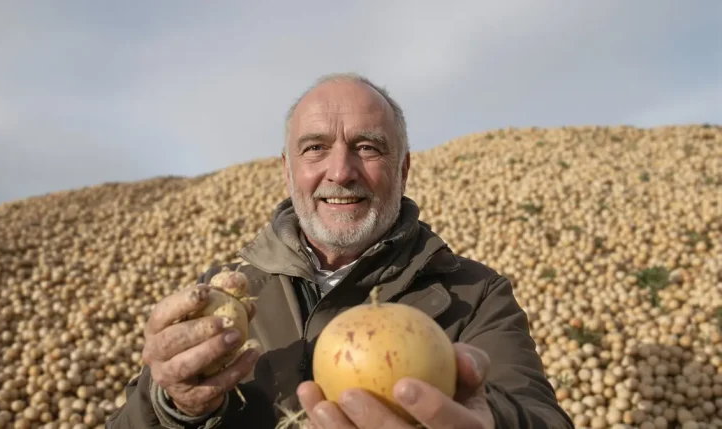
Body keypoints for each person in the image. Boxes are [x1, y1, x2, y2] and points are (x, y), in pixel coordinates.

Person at [105, 73, 574, 429]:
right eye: (315, 148)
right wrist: (172, 404)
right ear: (287, 171)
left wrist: (491, 420)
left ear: (403, 169)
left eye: (367, 147)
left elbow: (541, 415)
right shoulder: (225, 295)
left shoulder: (474, 293)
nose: (341, 170)